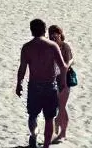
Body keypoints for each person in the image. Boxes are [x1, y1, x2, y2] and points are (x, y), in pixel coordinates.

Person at [16, 17, 67, 148]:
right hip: (50, 86)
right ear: (44, 30)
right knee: (49, 118)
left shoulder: (27, 47)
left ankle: (34, 135)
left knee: (33, 115)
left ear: (31, 31)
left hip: (34, 86)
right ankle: (46, 146)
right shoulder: (52, 46)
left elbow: (22, 68)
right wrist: (63, 82)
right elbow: (63, 66)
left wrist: (19, 84)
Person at [48, 25, 75, 143]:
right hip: (52, 80)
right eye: (51, 34)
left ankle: (62, 133)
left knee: (62, 106)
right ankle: (58, 126)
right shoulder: (49, 47)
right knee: (58, 107)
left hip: (64, 80)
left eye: (55, 34)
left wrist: (63, 73)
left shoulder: (65, 47)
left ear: (60, 35)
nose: (53, 37)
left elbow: (69, 63)